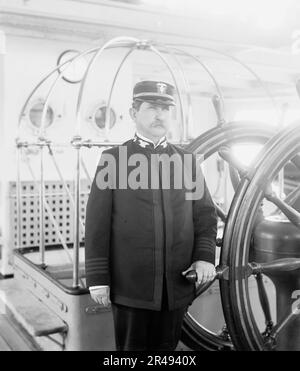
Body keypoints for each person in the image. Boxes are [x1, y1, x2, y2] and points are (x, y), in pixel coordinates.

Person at [85, 80, 217, 351]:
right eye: (152, 107)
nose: (160, 115)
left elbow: (205, 216)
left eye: (166, 108)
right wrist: (98, 279)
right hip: (131, 286)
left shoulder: (187, 161)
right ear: (134, 113)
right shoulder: (114, 159)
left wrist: (204, 258)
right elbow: (96, 223)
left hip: (176, 285)